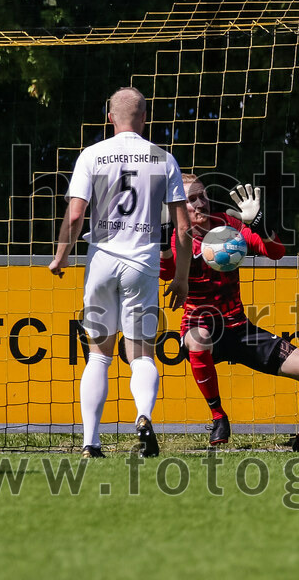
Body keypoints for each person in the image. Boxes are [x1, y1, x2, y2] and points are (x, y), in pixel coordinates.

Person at [49, 87, 191, 460]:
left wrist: (61, 255)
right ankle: (143, 417)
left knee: (98, 355)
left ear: (109, 117)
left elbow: (76, 215)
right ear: (144, 118)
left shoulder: (91, 155)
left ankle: (90, 443)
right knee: (142, 354)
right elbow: (182, 228)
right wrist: (181, 277)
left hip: (102, 262)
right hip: (141, 265)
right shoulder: (163, 158)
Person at [159, 173, 299, 451]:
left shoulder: (227, 225)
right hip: (201, 325)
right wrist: (160, 241)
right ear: (179, 208)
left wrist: (260, 225)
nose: (201, 204)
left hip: (240, 329)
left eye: (202, 195)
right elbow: (166, 272)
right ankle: (219, 417)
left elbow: (275, 251)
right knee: (197, 339)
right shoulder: (177, 238)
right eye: (191, 200)